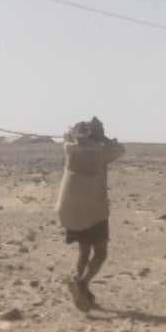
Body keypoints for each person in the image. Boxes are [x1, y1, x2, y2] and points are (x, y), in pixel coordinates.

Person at [56, 116, 125, 312]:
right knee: (101, 252)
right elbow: (120, 150)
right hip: (92, 210)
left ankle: (82, 292)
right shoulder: (101, 152)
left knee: (84, 251)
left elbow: (66, 137)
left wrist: (75, 134)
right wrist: (102, 137)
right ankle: (82, 283)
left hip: (69, 209)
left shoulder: (69, 148)